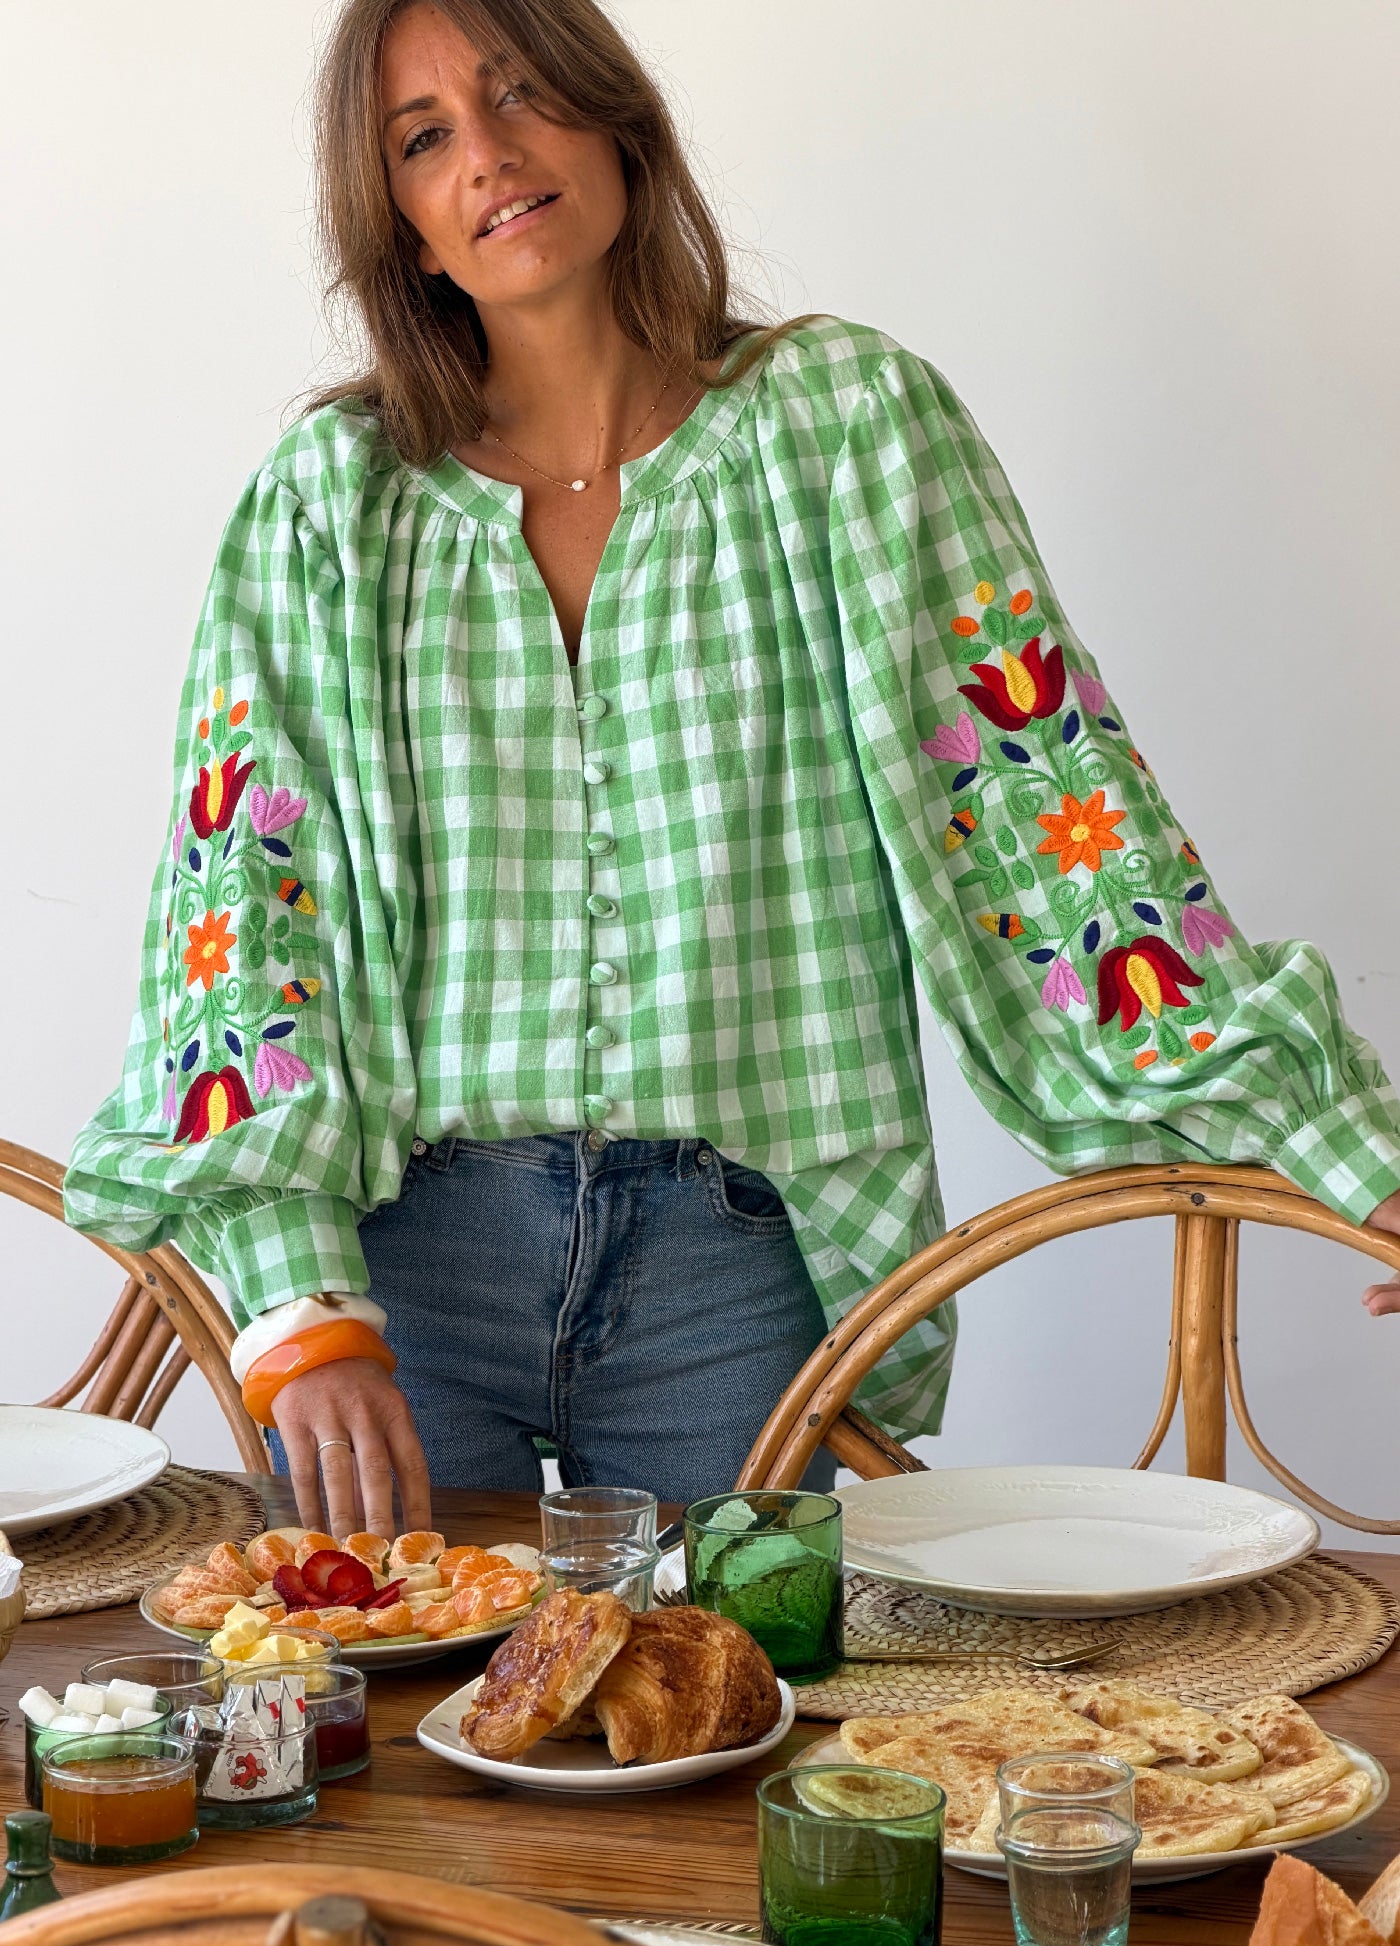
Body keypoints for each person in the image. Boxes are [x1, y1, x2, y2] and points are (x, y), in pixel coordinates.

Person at [65, 0, 1400, 1540]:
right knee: (387, 1753)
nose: (489, 153)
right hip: (408, 1269)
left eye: (517, 93)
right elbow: (245, 916)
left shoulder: (844, 432)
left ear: (614, 115)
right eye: (422, 138)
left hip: (740, 1272)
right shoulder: (328, 506)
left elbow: (1055, 823)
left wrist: (1344, 1160)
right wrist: (296, 1308)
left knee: (736, 1740)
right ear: (406, 228)